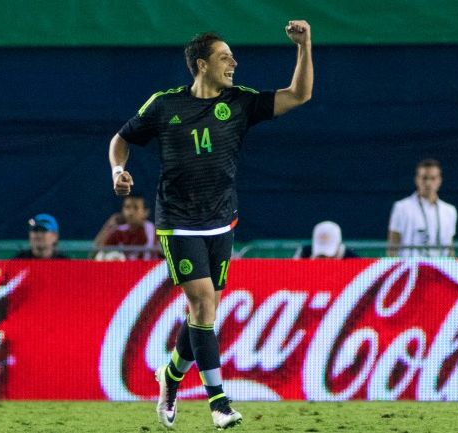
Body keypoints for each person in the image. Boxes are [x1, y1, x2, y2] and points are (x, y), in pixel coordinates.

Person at [108, 21, 312, 430]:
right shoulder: (164, 106)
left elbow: (300, 95)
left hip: (221, 222)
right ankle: (218, 401)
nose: (233, 62)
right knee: (203, 304)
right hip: (178, 222)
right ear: (201, 65)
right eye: (224, 57)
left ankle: (170, 377)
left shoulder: (239, 103)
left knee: (204, 309)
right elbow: (121, 138)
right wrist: (117, 170)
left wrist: (304, 46)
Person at [387, 159, 457, 257]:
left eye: (433, 178)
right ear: (417, 179)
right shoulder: (401, 208)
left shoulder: (450, 211)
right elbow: (393, 245)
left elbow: (450, 248)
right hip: (410, 268)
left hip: (439, 269)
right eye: (424, 178)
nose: (428, 183)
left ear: (439, 180)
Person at [93, 194, 158, 260]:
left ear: (145, 212)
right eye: (127, 207)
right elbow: (95, 254)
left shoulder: (152, 230)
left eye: (136, 208)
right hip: (125, 268)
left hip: (149, 268)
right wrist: (109, 225)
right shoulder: (118, 231)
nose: (131, 212)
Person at [294, 221, 359, 258]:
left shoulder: (352, 259)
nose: (326, 259)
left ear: (338, 244)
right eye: (321, 256)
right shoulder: (303, 254)